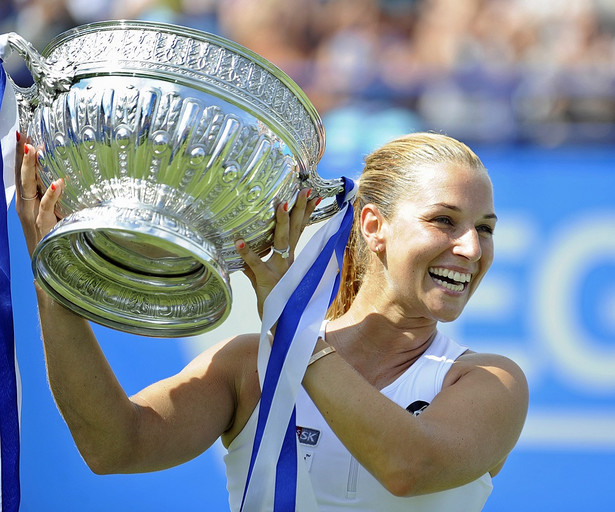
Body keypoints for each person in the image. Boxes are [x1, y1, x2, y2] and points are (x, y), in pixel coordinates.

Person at [15, 131, 528, 511]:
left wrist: (290, 332)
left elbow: (407, 467)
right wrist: (52, 281)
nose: (471, 248)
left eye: (485, 229)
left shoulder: (489, 381)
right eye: (444, 220)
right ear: (374, 226)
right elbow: (114, 445)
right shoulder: (248, 365)